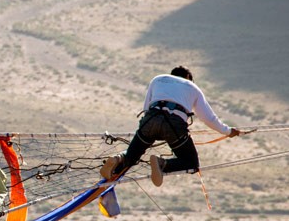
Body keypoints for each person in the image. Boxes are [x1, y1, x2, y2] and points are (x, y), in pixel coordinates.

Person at [100, 66, 241, 187]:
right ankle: (162, 163)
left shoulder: (158, 79)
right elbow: (208, 118)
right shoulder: (192, 87)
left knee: (133, 155)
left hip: (150, 120)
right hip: (174, 126)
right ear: (187, 77)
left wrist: (145, 132)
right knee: (191, 163)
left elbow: (146, 108)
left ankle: (118, 159)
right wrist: (228, 131)